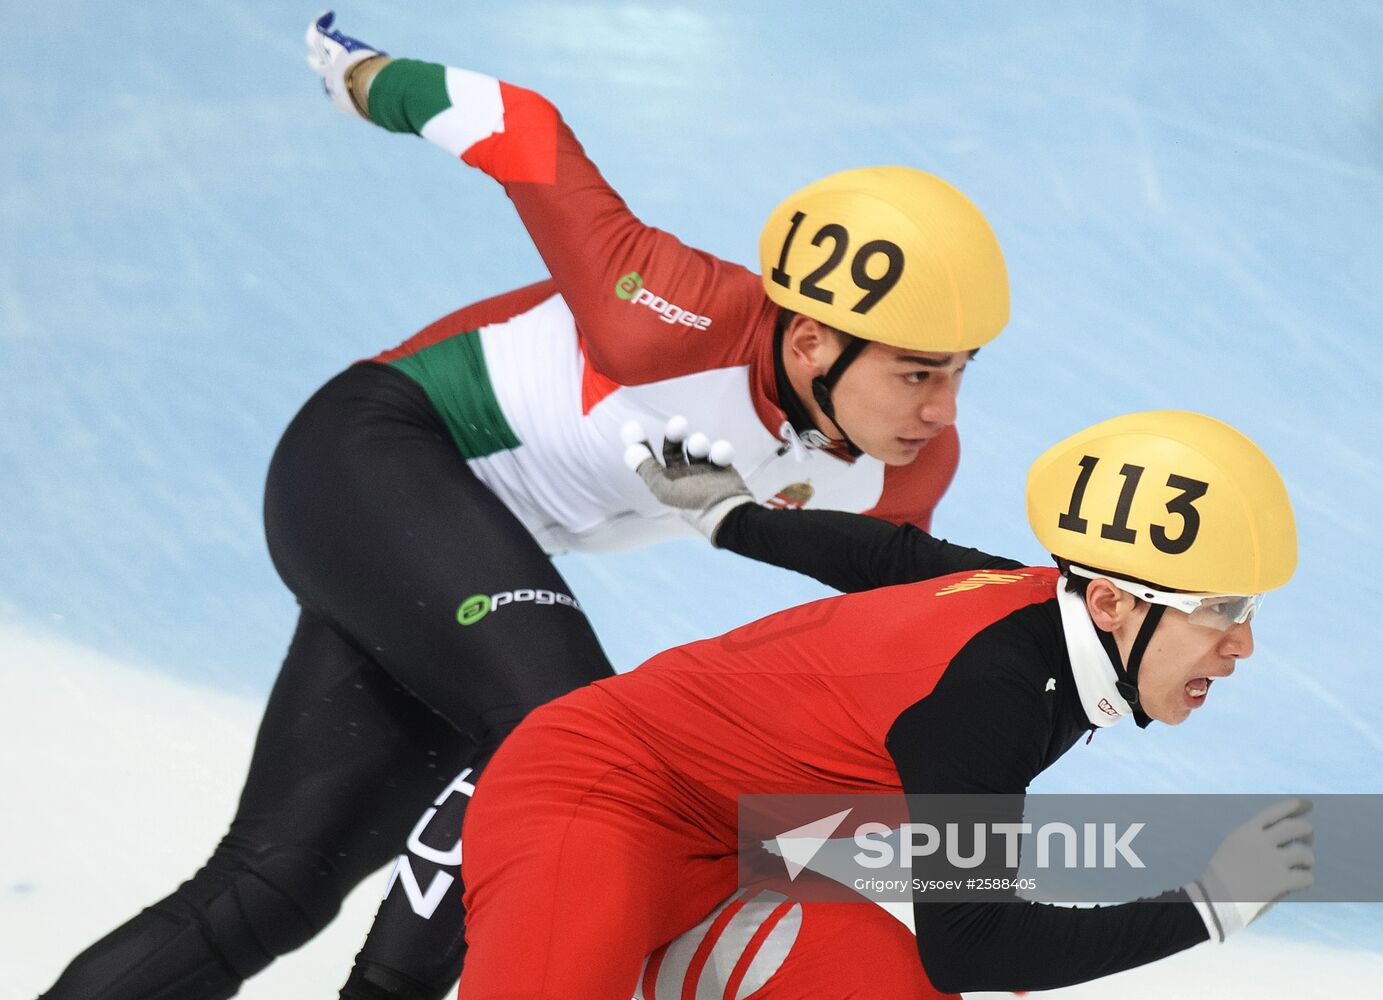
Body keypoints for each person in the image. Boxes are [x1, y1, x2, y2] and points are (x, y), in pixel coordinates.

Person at [38, 12, 1013, 1000]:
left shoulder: (906, 472)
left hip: (455, 562)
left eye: (961, 373)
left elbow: (872, 667)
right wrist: (361, 74)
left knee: (274, 882)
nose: (941, 412)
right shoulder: (663, 311)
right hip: (372, 452)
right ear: (810, 344)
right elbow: (523, 130)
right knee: (572, 735)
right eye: (918, 374)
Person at [453, 409, 1314, 997]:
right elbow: (971, 944)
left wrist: (732, 516)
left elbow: (888, 555)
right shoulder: (992, 698)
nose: (1241, 646)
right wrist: (1210, 904)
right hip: (593, 797)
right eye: (1221, 613)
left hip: (736, 853)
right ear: (1113, 604)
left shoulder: (1034, 600)